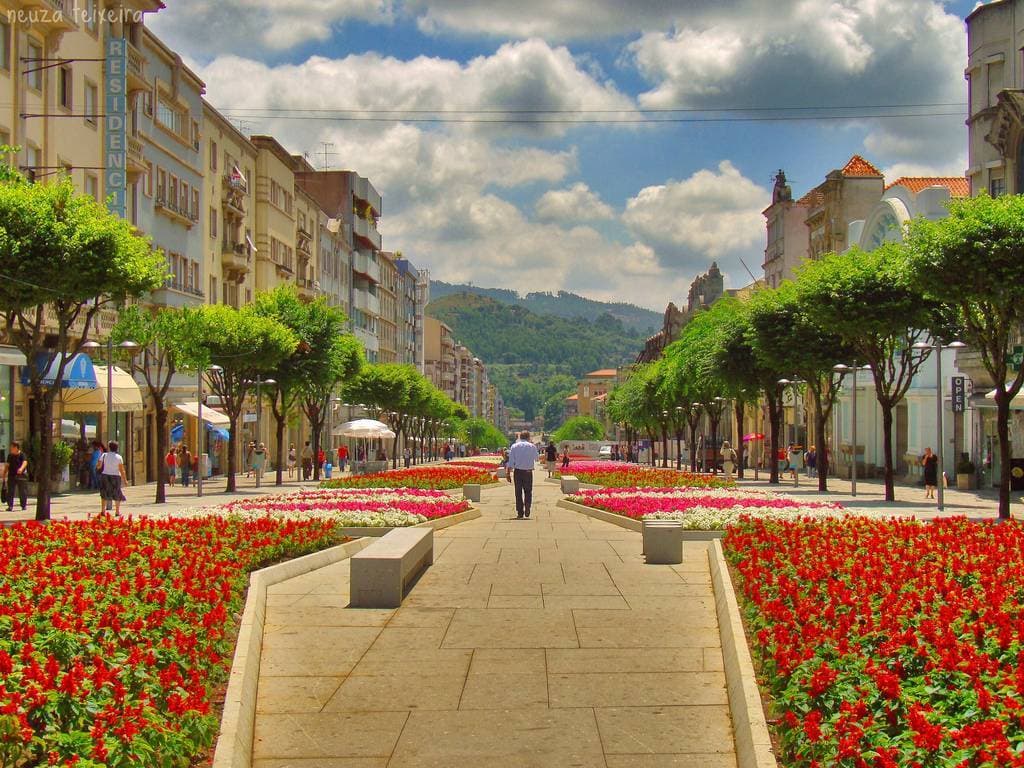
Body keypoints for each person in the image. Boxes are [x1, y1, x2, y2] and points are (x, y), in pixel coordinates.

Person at [507, 431, 539, 520]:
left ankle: (520, 512)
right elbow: (537, 459)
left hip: (517, 472)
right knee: (528, 491)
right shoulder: (532, 446)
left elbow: (511, 462)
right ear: (528, 437)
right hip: (528, 472)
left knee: (518, 492)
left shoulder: (514, 446)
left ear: (520, 437)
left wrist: (508, 473)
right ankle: (527, 506)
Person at [98, 440, 127, 516]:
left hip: (105, 475)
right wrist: (125, 480)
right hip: (116, 476)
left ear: (109, 447)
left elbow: (99, 466)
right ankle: (117, 511)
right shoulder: (119, 457)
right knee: (117, 493)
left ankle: (103, 511)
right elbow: (121, 470)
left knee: (104, 493)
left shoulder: (104, 455)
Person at [4, 441, 29, 512]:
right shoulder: (10, 455)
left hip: (21, 476)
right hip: (11, 475)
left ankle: (23, 505)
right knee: (10, 491)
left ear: (16, 447)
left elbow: (25, 462)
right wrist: (4, 474)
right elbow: (7, 465)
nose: (10, 448)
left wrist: (21, 468)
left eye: (11, 447)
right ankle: (10, 506)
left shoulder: (22, 454)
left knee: (22, 491)